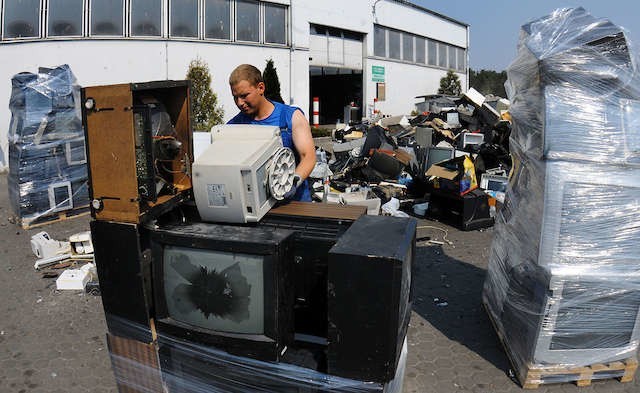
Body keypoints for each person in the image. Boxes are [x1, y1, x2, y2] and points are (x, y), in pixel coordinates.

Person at [227, 64, 316, 201]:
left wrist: (291, 183)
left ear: (261, 88)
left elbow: (308, 157)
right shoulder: (233, 127)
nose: (240, 103)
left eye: (244, 96)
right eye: (235, 97)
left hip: (295, 204)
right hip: (255, 205)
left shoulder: (291, 117)